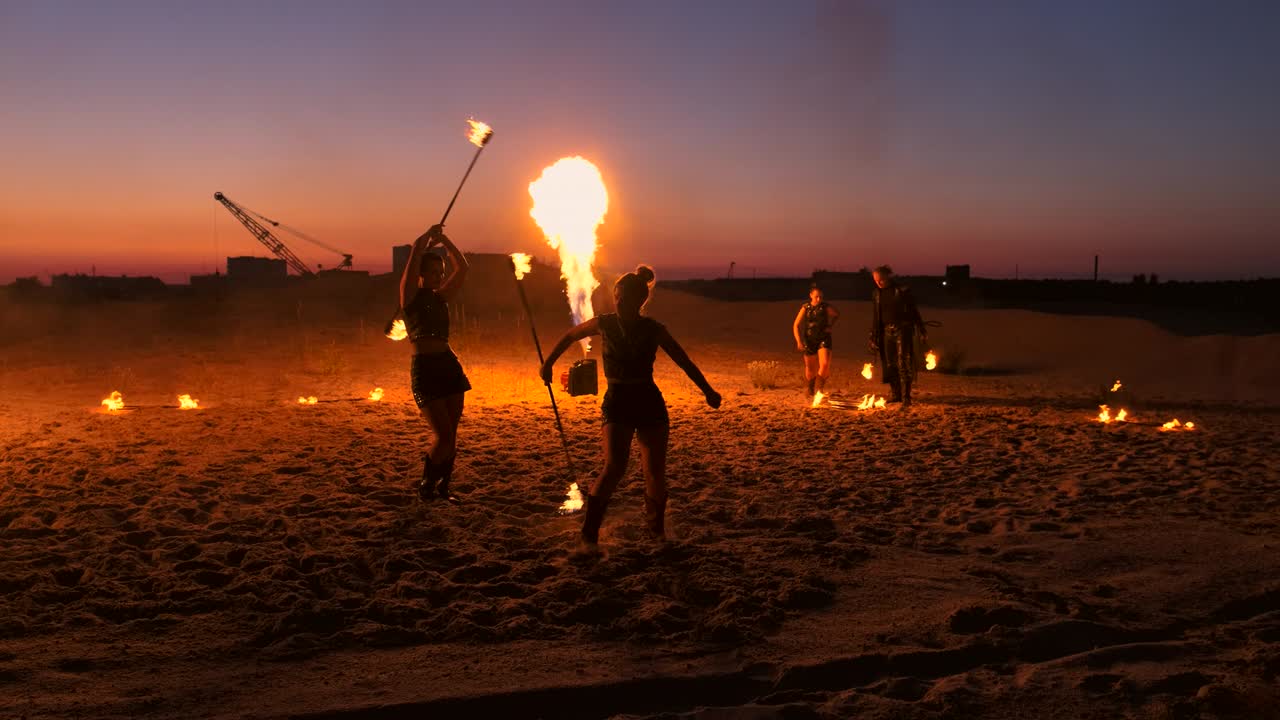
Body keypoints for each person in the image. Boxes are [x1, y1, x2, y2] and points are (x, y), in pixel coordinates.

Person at [540, 265, 722, 550]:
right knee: (614, 466)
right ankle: (589, 535)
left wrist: (708, 391)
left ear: (638, 301)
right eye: (618, 296)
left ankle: (656, 531)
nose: (619, 301)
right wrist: (548, 363)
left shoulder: (653, 329)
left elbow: (683, 361)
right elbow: (571, 335)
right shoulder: (605, 323)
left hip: (648, 401)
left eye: (624, 297)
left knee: (654, 472)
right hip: (618, 401)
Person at [399, 224, 471, 502]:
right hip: (426, 370)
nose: (440, 277)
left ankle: (443, 488)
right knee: (443, 436)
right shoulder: (409, 297)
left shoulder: (441, 297)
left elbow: (463, 268)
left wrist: (445, 240)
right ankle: (427, 485)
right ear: (421, 274)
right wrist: (426, 238)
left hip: (449, 366)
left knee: (452, 434)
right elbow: (414, 255)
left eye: (441, 273)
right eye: (433, 272)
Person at [869, 265, 928, 406]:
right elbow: (876, 315)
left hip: (902, 330)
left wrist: (921, 329)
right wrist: (873, 335)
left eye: (881, 279)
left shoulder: (902, 290)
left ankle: (906, 396)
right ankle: (896, 394)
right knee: (890, 364)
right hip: (886, 331)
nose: (878, 283)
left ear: (888, 277)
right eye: (875, 280)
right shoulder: (876, 293)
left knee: (903, 362)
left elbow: (914, 310)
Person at [792, 284, 839, 396]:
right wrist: (798, 341)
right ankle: (810, 388)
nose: (819, 299)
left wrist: (830, 325)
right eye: (816, 296)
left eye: (821, 297)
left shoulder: (825, 307)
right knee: (810, 368)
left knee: (825, 364)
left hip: (823, 338)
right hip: (809, 339)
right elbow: (796, 325)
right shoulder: (805, 307)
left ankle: (819, 388)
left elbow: (836, 314)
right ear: (811, 295)